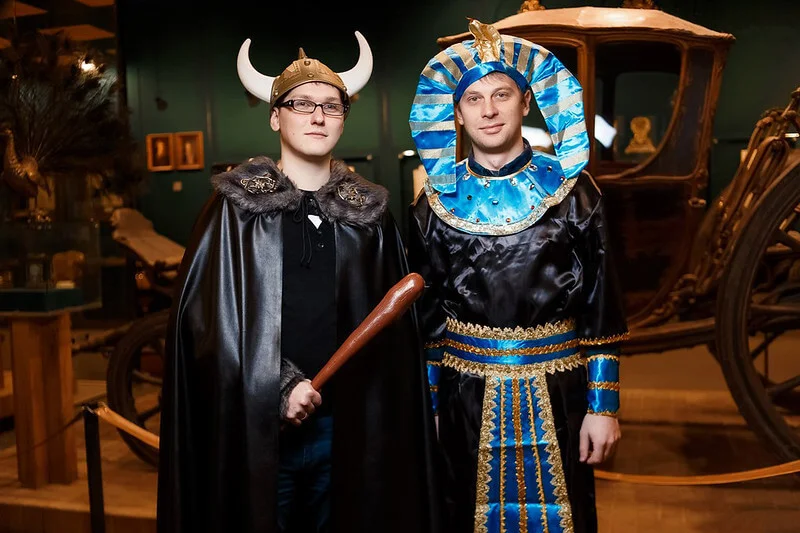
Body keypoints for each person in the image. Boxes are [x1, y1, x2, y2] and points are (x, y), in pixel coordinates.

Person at [157, 31, 441, 533]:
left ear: (343, 118)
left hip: (349, 427)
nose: (317, 116)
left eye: (331, 106)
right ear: (275, 117)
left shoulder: (369, 214)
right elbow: (204, 326)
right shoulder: (235, 210)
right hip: (257, 427)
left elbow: (397, 342)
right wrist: (281, 385)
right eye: (301, 104)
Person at [407, 19, 629, 533]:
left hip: (560, 391)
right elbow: (426, 323)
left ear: (526, 102)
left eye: (501, 95)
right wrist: (431, 407)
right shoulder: (432, 204)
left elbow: (601, 307)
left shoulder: (573, 193)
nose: (488, 110)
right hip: (464, 398)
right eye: (473, 99)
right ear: (456, 113)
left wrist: (603, 407)